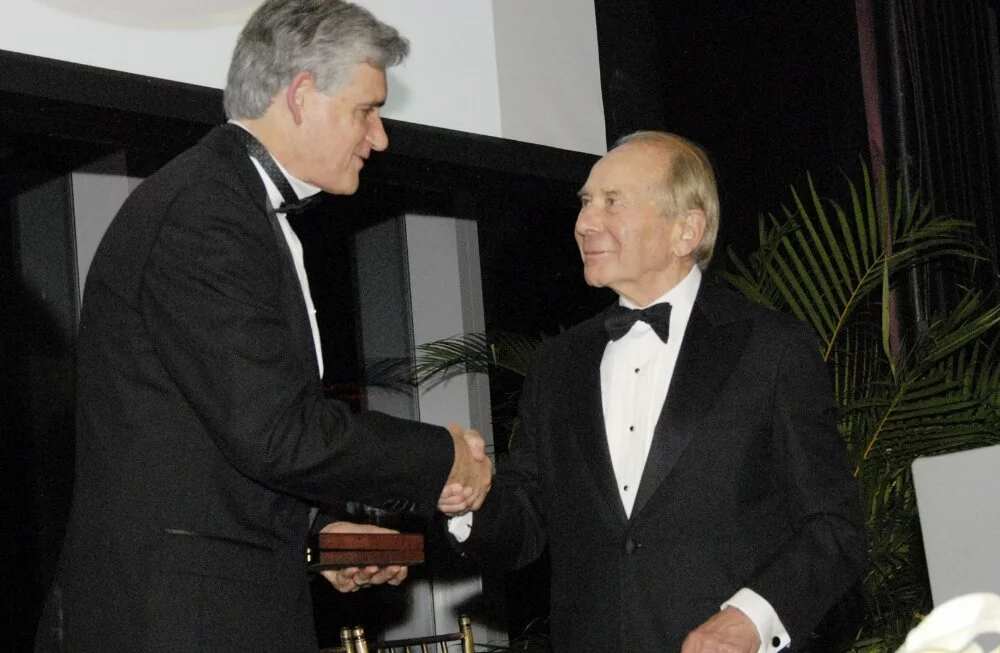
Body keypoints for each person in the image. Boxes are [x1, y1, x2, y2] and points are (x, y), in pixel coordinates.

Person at [34, 1, 491, 651]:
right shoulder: (208, 212)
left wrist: (317, 530)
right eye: (367, 109)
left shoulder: (226, 201)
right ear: (301, 93)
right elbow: (274, 429)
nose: (380, 137)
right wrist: (439, 455)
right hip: (179, 619)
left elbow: (208, 443)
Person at [448, 131, 867, 652]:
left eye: (612, 203)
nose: (583, 223)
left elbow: (833, 528)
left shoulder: (771, 348)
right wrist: (471, 497)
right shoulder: (557, 366)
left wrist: (751, 620)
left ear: (685, 230)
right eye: (584, 203)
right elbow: (526, 526)